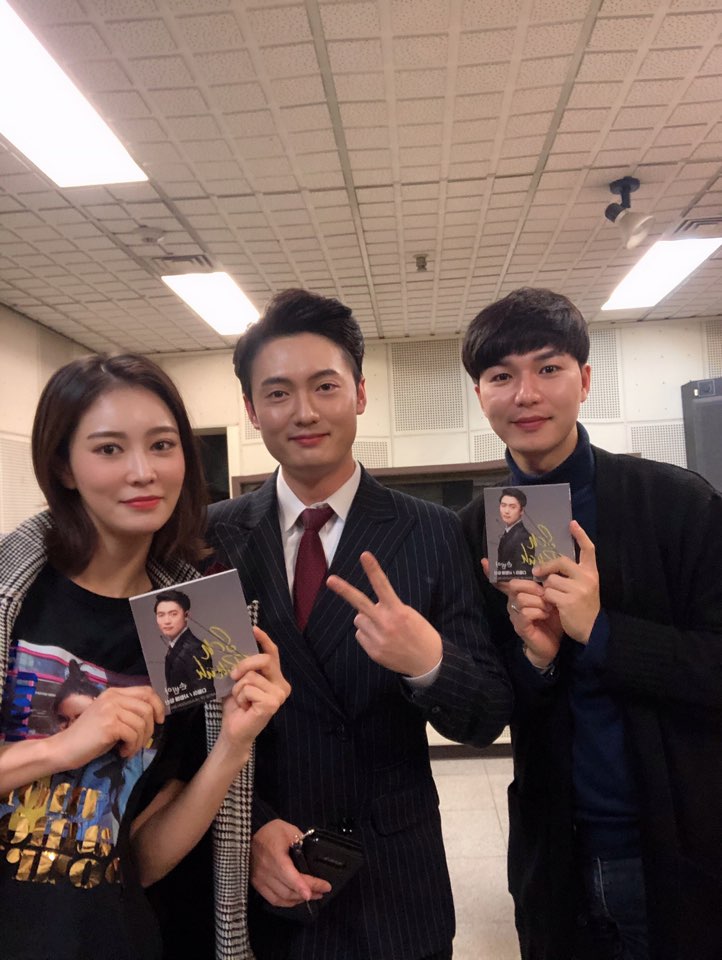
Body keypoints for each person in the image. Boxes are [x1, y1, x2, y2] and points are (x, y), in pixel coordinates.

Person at [205, 288, 512, 960]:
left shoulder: (432, 532)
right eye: (278, 393)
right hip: (265, 876)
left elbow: (487, 714)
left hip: (394, 882)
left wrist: (429, 662)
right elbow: (190, 718)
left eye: (325, 386)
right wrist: (250, 829)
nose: (305, 411)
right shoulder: (212, 540)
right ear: (252, 410)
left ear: (360, 394)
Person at [458, 287, 722, 960]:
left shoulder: (677, 503)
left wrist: (602, 631)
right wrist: (537, 659)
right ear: (480, 395)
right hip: (555, 856)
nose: (526, 394)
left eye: (548, 368)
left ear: (585, 379)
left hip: (679, 846)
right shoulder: (472, 533)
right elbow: (489, 698)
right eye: (500, 376)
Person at [0, 354, 289, 960]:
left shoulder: (200, 619)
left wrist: (233, 744)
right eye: (109, 449)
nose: (143, 472)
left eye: (162, 445)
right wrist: (61, 748)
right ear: (64, 466)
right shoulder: (13, 593)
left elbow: (144, 859)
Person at [155, 589, 207, 702]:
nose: (167, 621)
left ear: (186, 615)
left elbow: (205, 696)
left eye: (173, 614)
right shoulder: (175, 645)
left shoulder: (195, 648)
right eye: (161, 615)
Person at [495, 487, 532, 579]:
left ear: (521, 511)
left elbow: (523, 575)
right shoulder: (509, 532)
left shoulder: (524, 537)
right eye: (503, 505)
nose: (506, 511)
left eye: (512, 507)